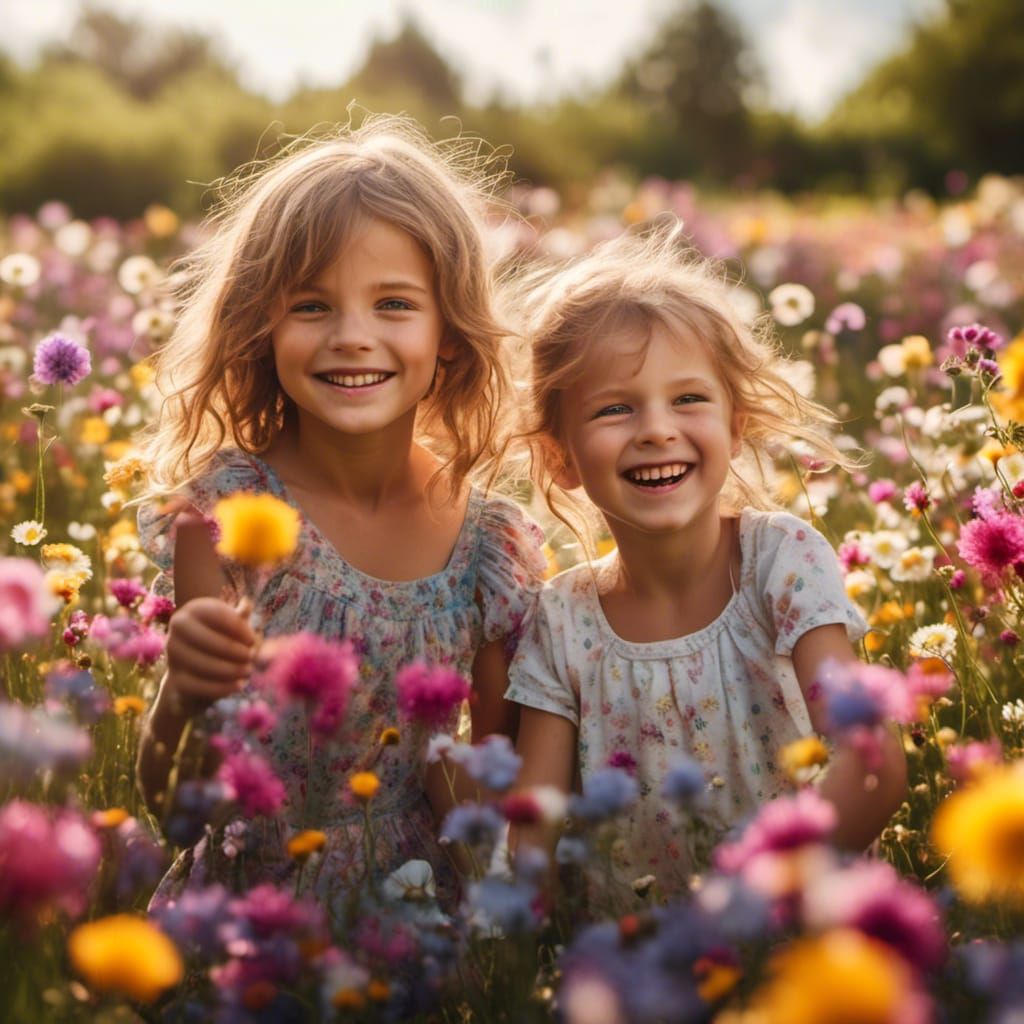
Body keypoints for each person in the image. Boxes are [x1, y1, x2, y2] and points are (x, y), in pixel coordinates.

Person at [134, 116, 546, 909]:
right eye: (312, 306)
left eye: (394, 303)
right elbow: (171, 802)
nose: (353, 338)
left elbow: (491, 796)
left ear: (450, 335)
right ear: (260, 328)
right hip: (246, 917)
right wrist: (177, 699)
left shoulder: (489, 545)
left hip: (420, 918)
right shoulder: (224, 518)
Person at [504, 221, 906, 909]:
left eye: (689, 399)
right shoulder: (561, 620)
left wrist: (765, 892)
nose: (657, 428)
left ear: (735, 422)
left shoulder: (780, 560)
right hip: (643, 975)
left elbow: (872, 765)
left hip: (802, 935)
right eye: (614, 409)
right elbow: (531, 837)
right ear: (559, 456)